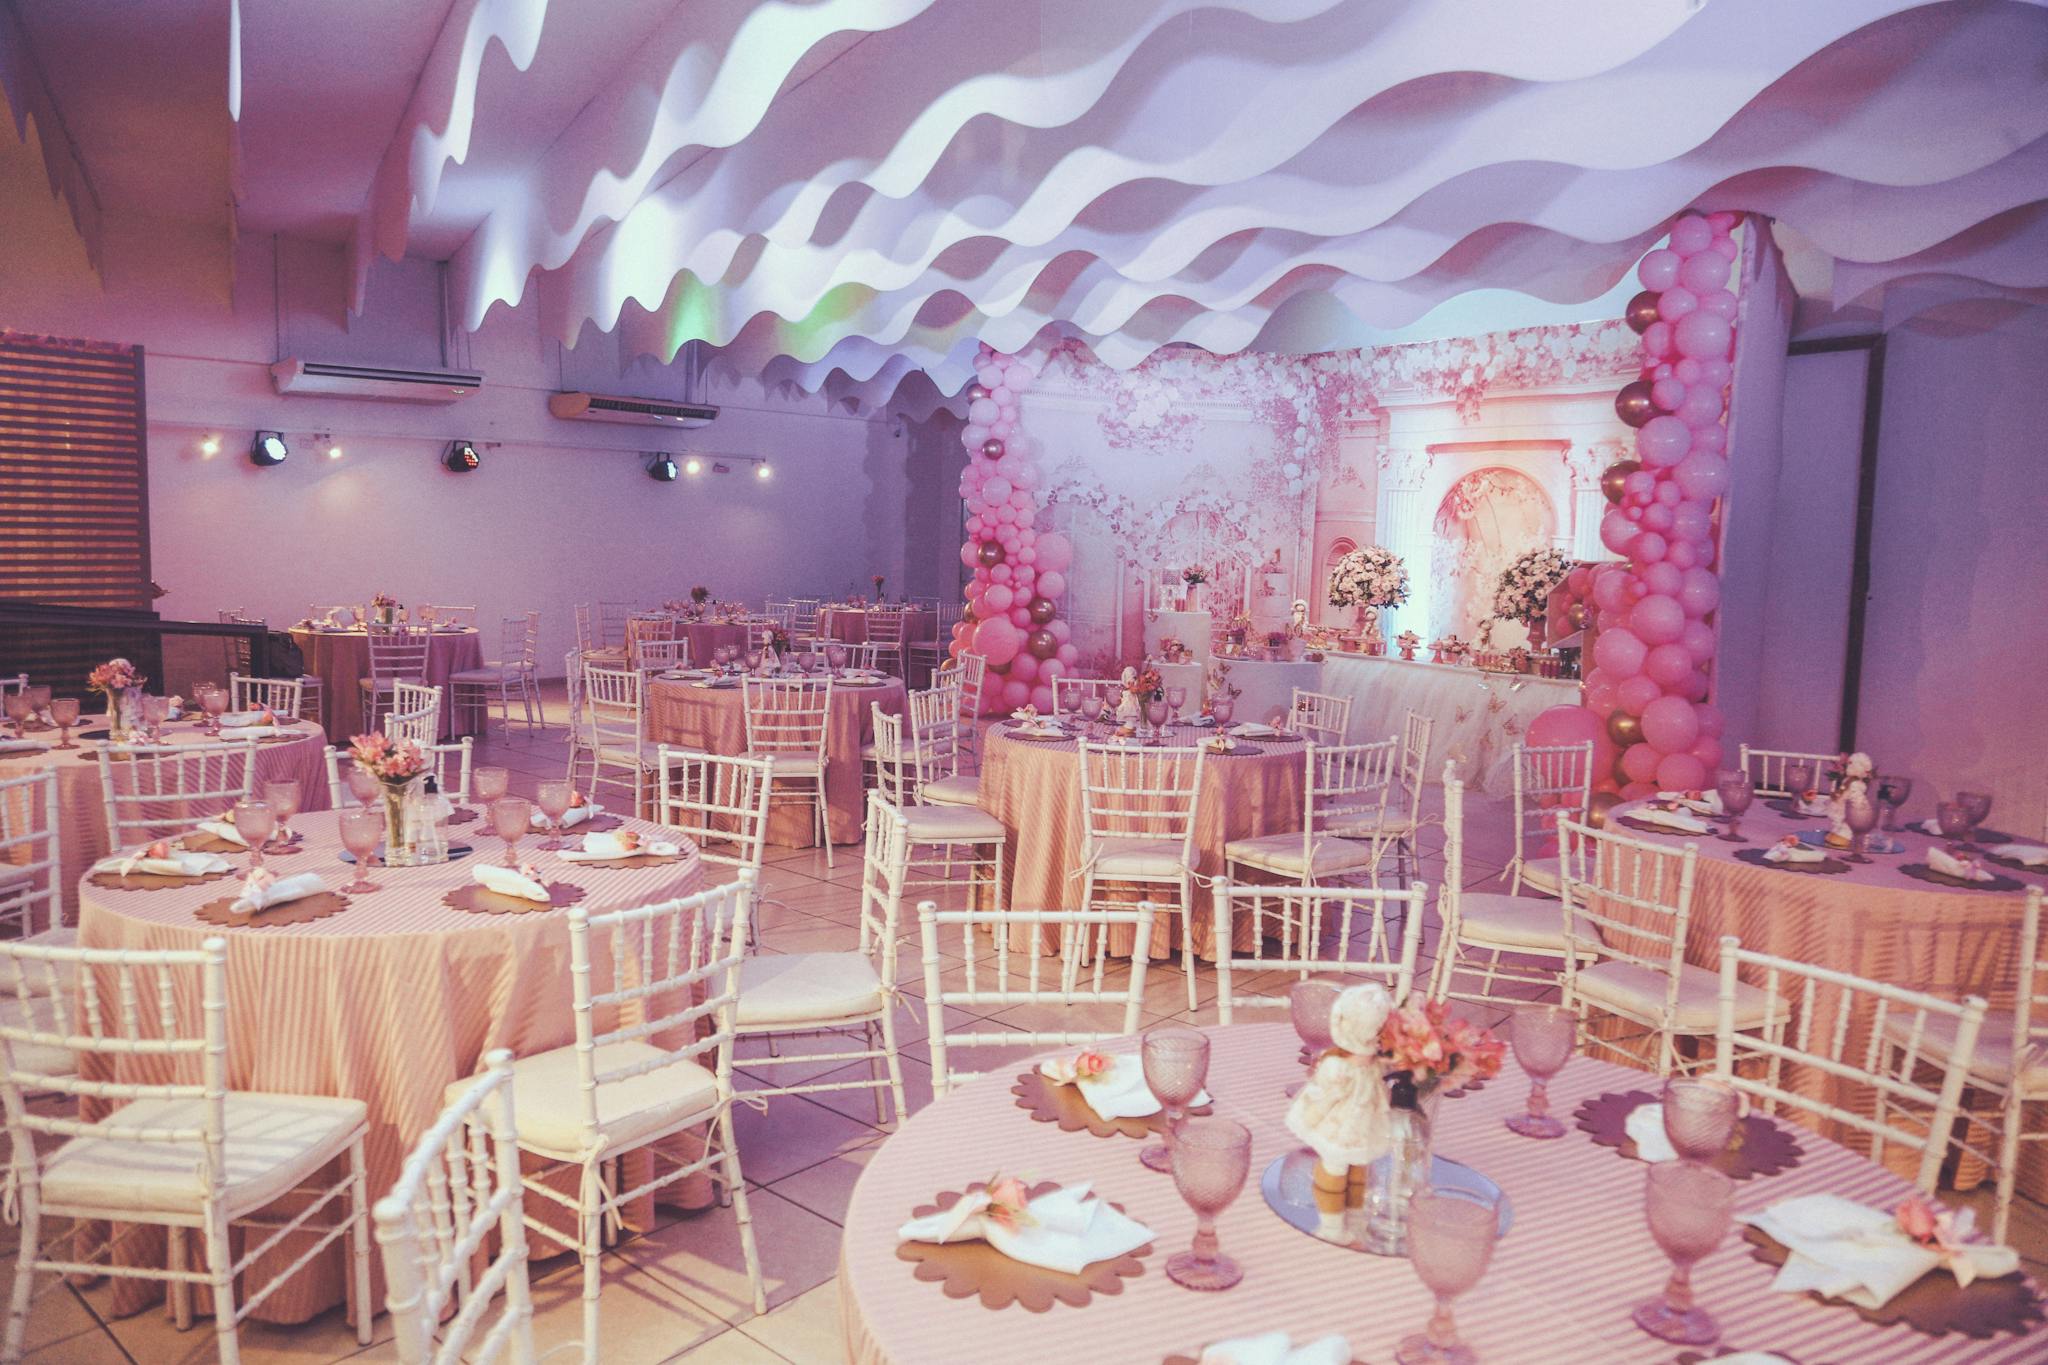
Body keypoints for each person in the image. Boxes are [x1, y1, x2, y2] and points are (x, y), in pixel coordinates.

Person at [1284, 983, 1394, 1244]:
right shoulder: (1374, 1065)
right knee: (1358, 1169)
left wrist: (1308, 1112)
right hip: (1365, 1126)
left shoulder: (1337, 1065)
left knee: (1332, 1169)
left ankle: (1333, 1226)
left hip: (1338, 1127)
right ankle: (1354, 1221)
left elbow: (1322, 1094)